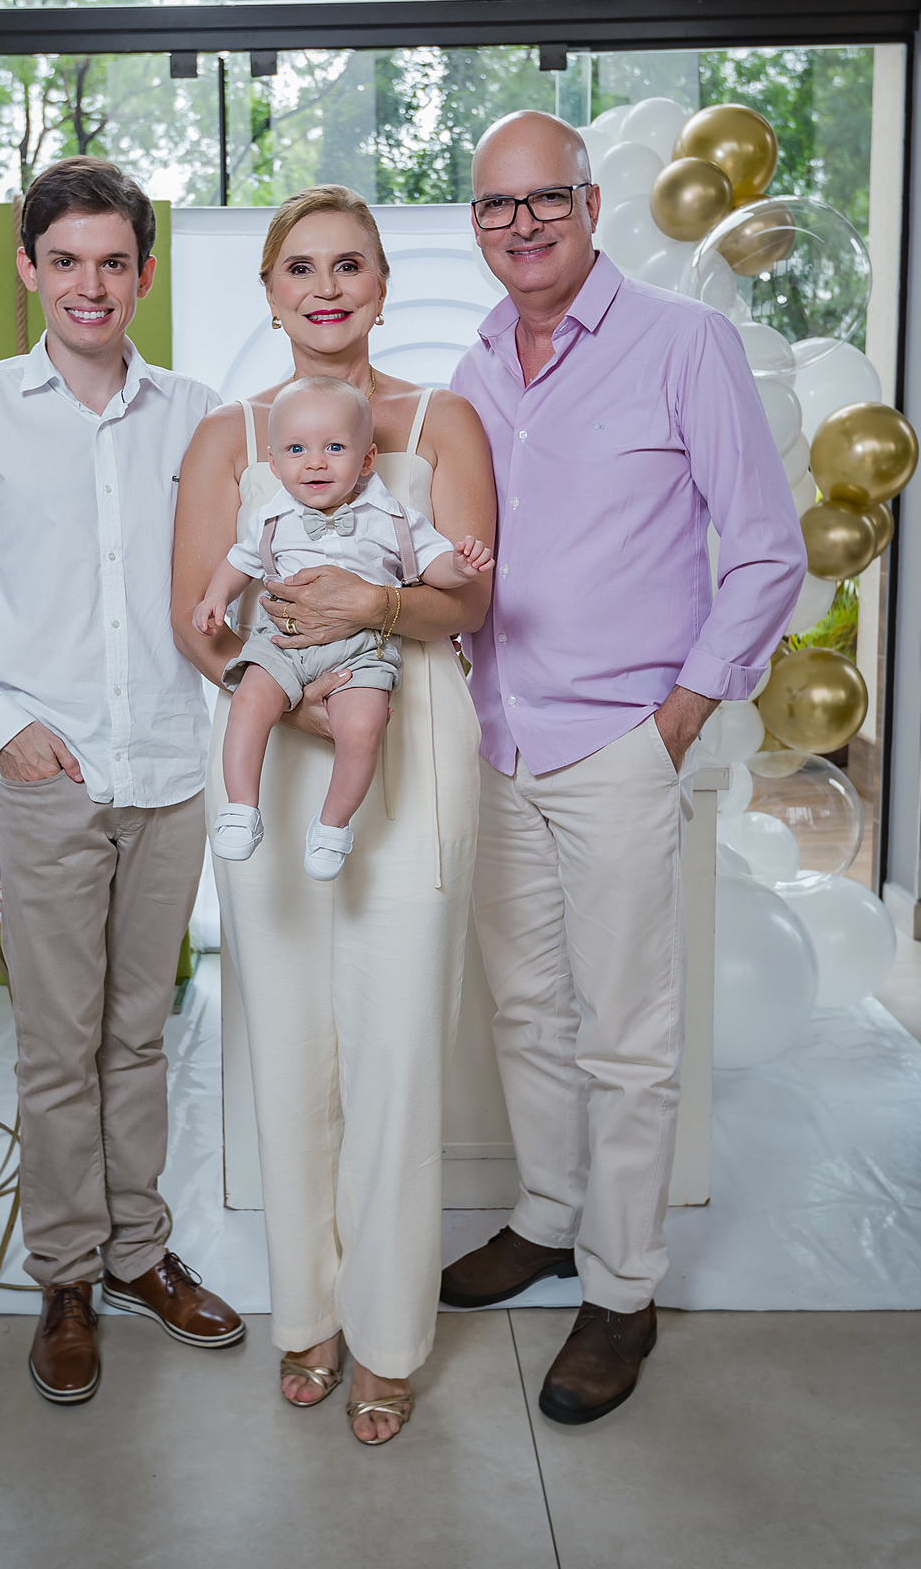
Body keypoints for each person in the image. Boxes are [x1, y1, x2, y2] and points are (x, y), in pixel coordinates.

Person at [440, 112, 807, 1424]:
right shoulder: (475, 366)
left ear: (592, 206)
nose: (523, 223)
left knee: (629, 1038)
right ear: (477, 225)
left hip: (621, 742)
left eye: (546, 198)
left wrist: (685, 710)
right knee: (526, 1012)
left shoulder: (682, 343)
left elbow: (764, 547)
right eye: (498, 205)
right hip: (498, 737)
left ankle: (623, 1288)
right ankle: (546, 1218)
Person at [0, 156, 244, 1408]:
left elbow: (231, 578)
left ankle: (139, 1254)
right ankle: (64, 1277)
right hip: (46, 776)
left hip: (168, 768)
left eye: (112, 262)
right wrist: (5, 728)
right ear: (29, 268)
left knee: (140, 1034)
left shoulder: (198, 413)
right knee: (59, 1046)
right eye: (65, 261)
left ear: (144, 273)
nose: (89, 285)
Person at [172, 184, 495, 1445]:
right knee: (289, 1043)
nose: (326, 287)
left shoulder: (441, 421)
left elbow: (467, 605)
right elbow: (198, 623)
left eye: (349, 264)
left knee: (399, 1050)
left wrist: (375, 614)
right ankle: (305, 1312)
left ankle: (389, 1334)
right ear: (268, 291)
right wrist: (298, 712)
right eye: (299, 267)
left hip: (409, 739)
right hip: (276, 748)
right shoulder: (228, 436)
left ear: (381, 284)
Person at [195, 375, 493, 879]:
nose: (315, 462)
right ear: (274, 464)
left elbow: (433, 561)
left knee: (362, 727)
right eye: (297, 449)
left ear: (367, 459)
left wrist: (459, 568)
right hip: (282, 640)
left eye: (334, 448)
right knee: (249, 702)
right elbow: (238, 561)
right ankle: (241, 807)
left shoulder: (390, 517)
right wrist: (215, 598)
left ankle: (333, 824)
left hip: (363, 646)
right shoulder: (271, 519)